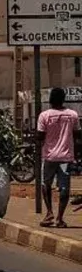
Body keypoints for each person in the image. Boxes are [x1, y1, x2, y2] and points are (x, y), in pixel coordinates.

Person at [38, 87, 81, 228]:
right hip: (65, 158)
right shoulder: (72, 115)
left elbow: (40, 136)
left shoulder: (44, 116)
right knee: (64, 188)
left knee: (46, 184)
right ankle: (59, 218)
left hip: (49, 157)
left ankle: (49, 212)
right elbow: (77, 135)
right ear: (63, 99)